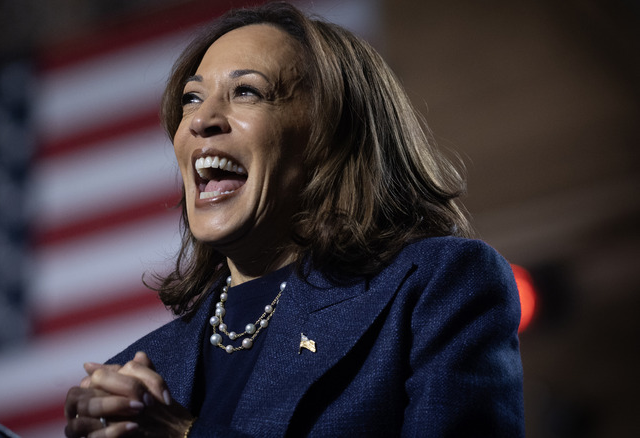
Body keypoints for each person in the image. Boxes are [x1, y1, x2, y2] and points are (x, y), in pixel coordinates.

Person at [64, 2, 525, 437]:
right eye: (191, 99)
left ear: (334, 137)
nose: (201, 120)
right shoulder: (139, 376)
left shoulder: (434, 287)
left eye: (247, 91)